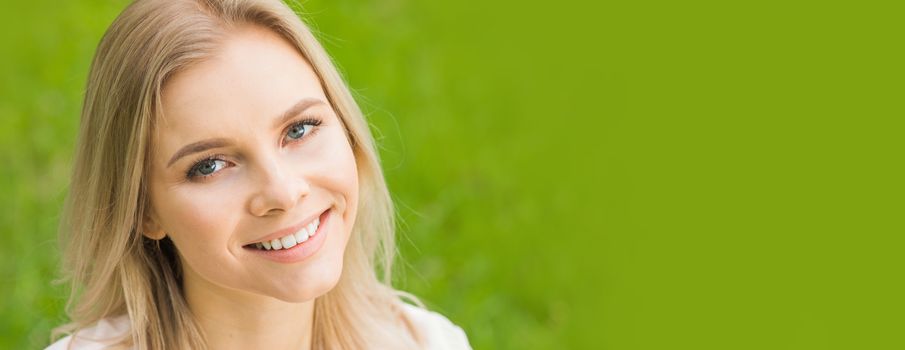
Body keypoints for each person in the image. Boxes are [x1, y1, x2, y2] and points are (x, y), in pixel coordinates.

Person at [46, 0, 471, 349]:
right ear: (143, 210)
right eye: (210, 165)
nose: (283, 192)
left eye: (299, 129)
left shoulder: (427, 343)